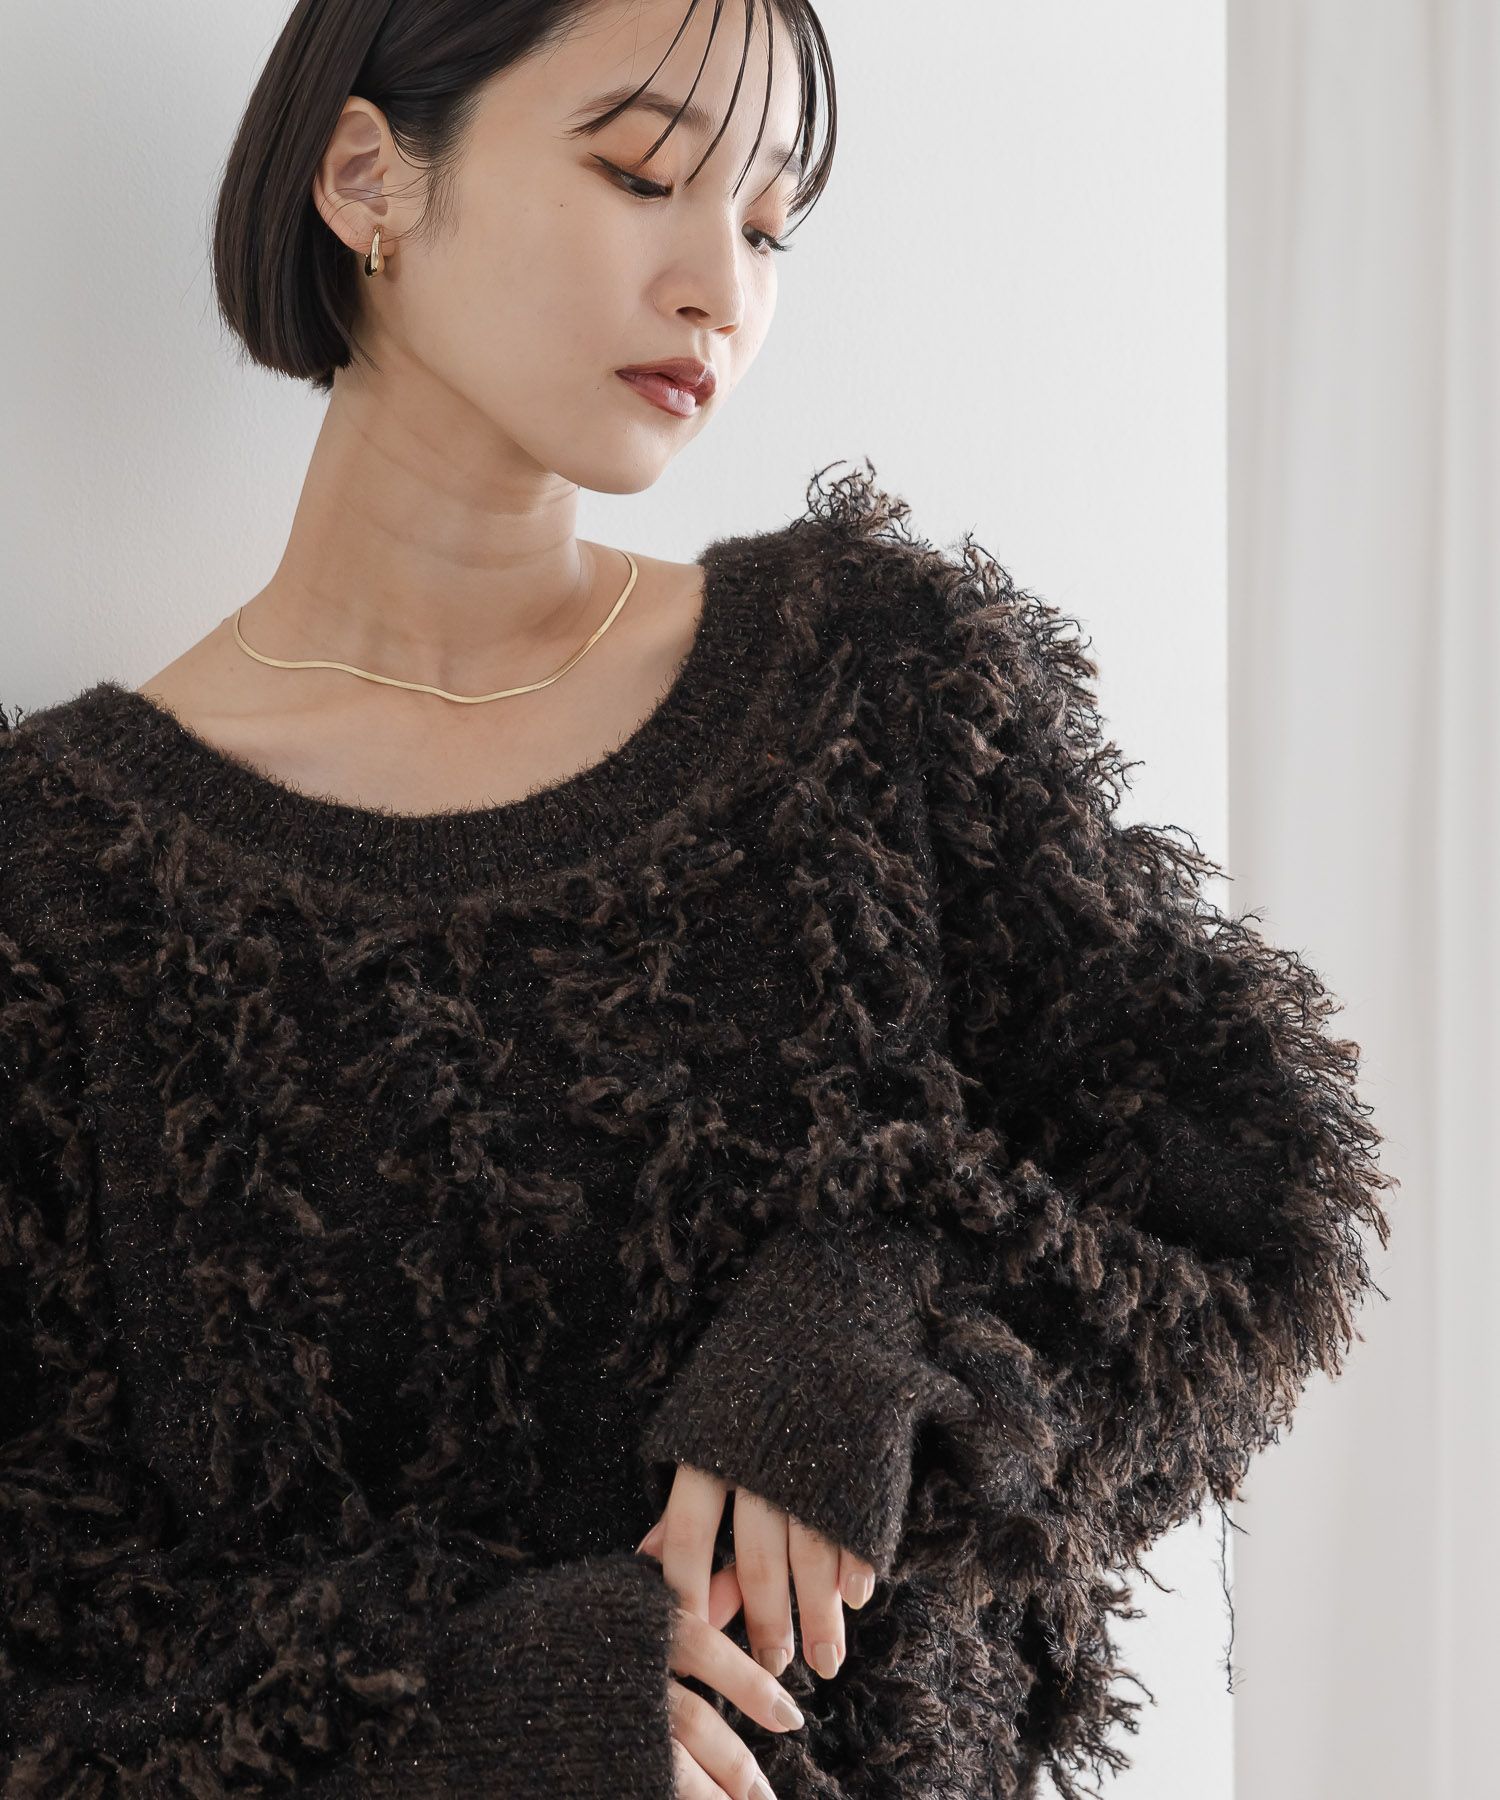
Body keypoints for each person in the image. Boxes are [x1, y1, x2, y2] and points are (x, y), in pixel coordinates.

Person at [0, 2, 1395, 1795]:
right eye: (641, 170)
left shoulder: (868, 684)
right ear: (365, 178)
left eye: (770, 224)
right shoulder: (67, 881)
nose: (722, 289)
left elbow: (1257, 1195)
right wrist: (477, 1718)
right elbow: (48, 1648)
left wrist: (880, 1325)